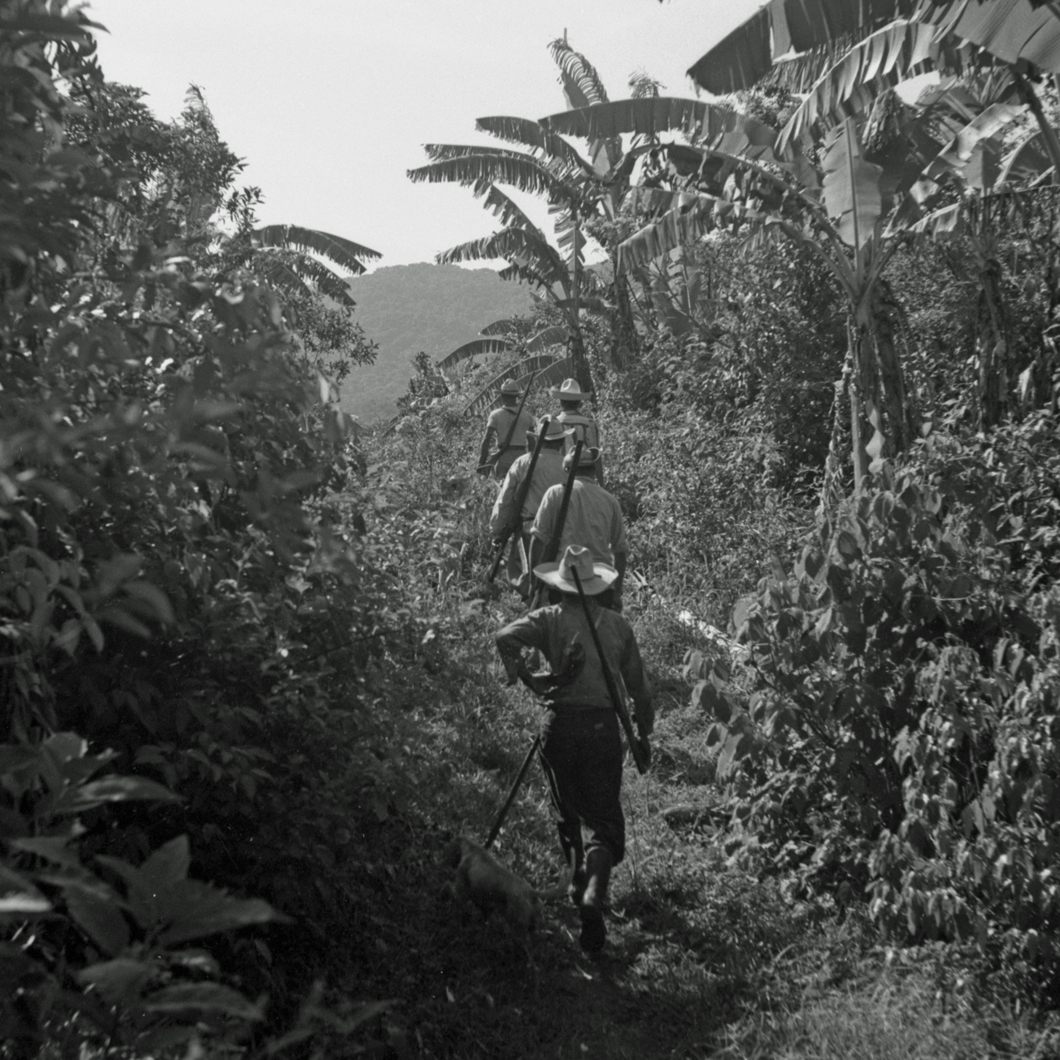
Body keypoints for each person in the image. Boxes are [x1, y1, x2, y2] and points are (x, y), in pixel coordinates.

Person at [495, 545, 654, 955]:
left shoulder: (549, 619)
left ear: (559, 587)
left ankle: (579, 892)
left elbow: (504, 637)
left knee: (567, 815)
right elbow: (638, 688)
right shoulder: (618, 626)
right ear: (599, 588)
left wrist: (528, 679)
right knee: (605, 823)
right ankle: (593, 893)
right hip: (602, 729)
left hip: (559, 727)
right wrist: (644, 732)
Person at [529, 446, 627, 611]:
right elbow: (620, 552)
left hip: (564, 583)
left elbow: (537, 540)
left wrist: (534, 583)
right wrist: (616, 593)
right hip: (601, 586)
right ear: (594, 471)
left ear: (567, 469)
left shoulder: (554, 494)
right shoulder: (610, 501)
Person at [489, 416, 572, 598]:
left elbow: (506, 500)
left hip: (530, 531)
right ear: (560, 441)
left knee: (525, 579)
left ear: (537, 439)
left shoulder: (524, 462)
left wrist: (497, 530)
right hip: (563, 531)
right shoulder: (568, 467)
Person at [478, 379, 534, 481]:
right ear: (516, 396)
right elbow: (532, 443)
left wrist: (481, 463)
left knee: (501, 491)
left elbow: (486, 439)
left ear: (502, 396)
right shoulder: (528, 416)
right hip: (522, 458)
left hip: (504, 458)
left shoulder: (495, 415)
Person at [551, 377, 604, 486]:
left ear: (561, 402)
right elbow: (596, 457)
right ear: (579, 402)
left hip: (560, 480)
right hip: (585, 482)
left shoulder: (555, 423)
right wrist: (602, 484)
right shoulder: (590, 424)